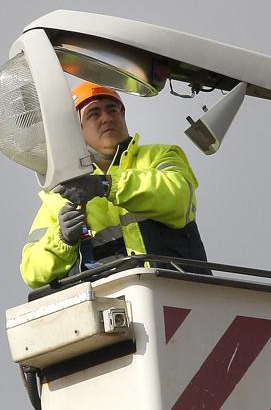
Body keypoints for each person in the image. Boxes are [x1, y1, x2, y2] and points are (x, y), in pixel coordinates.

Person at [19, 82, 209, 289]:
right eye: (94, 113)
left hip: (178, 294)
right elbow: (31, 271)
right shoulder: (60, 195)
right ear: (77, 129)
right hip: (107, 306)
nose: (107, 118)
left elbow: (179, 198)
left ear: (123, 116)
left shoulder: (160, 155)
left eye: (113, 110)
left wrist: (106, 184)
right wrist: (62, 239)